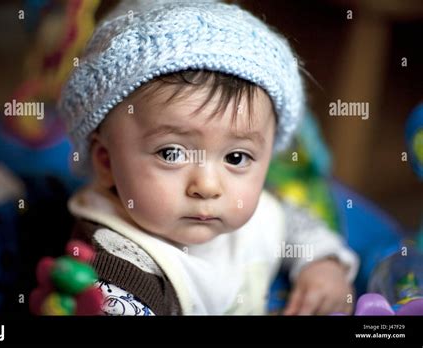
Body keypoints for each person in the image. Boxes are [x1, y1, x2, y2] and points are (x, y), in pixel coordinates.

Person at [58, 0, 359, 315]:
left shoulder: (253, 211)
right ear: (106, 162)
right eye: (171, 153)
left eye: (237, 157)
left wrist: (323, 266)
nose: (207, 185)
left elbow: (294, 222)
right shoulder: (117, 271)